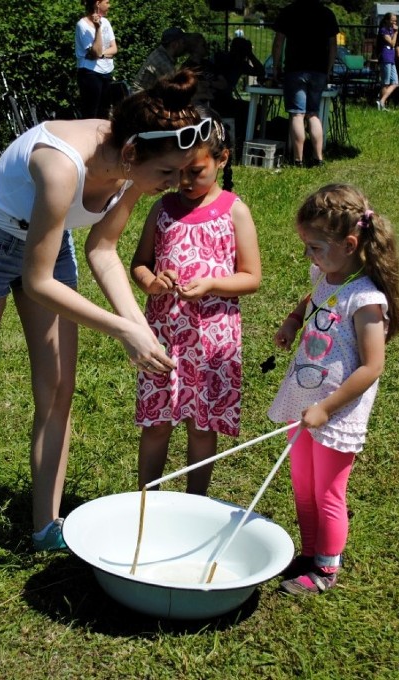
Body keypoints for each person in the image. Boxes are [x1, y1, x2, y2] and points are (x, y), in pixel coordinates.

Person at [0, 71, 210, 606]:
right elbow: (38, 282)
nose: (170, 183)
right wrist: (120, 328)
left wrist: (137, 326)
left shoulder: (132, 165)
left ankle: (46, 524)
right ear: (134, 151)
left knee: (58, 389)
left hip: (47, 245)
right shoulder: (60, 164)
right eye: (166, 172)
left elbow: (101, 248)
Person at [268, 184, 399, 595]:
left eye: (314, 247)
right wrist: (294, 321)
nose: (309, 256)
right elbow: (313, 299)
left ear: (349, 244)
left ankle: (325, 569)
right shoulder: (326, 276)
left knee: (327, 491)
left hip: (335, 410)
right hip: (305, 400)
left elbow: (372, 366)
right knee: (302, 482)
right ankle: (309, 553)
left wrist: (327, 408)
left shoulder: (365, 300)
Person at [130, 110, 261, 495]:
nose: (185, 181)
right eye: (180, 171)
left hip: (211, 341)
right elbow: (139, 263)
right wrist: (152, 283)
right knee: (156, 423)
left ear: (222, 160)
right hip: (164, 337)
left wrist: (212, 286)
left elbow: (251, 277)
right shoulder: (162, 209)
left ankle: (196, 503)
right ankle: (146, 502)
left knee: (202, 427)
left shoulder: (234, 211)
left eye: (197, 171)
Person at [271, 0, 339, 167]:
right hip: (319, 70)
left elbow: (278, 42)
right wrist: (328, 70)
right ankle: (318, 158)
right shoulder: (327, 14)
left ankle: (298, 160)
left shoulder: (288, 11)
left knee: (297, 115)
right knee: (313, 114)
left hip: (295, 69)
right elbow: (333, 46)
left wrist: (276, 67)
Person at [75, 0, 119, 119]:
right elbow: (96, 51)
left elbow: (114, 49)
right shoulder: (82, 25)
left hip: (106, 73)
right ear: (98, 4)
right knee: (91, 114)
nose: (109, 5)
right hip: (90, 74)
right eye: (107, 2)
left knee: (104, 113)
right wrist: (98, 28)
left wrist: (101, 55)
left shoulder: (106, 22)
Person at [132, 27, 188, 93]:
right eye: (183, 42)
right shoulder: (162, 62)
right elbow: (178, 87)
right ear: (174, 44)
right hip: (142, 99)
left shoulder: (161, 54)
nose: (185, 46)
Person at [375, 13, 398, 110]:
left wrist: (394, 32)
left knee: (395, 83)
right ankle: (382, 105)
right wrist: (396, 32)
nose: (394, 22)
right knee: (386, 82)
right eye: (392, 20)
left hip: (391, 58)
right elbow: (392, 43)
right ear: (386, 21)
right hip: (386, 57)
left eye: (395, 20)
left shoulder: (390, 30)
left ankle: (381, 101)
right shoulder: (383, 30)